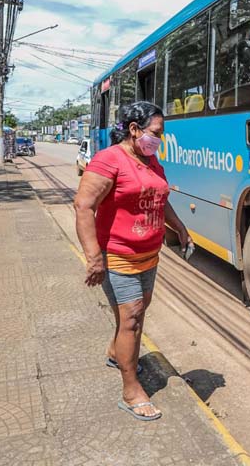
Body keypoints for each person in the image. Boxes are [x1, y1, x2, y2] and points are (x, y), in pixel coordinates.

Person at [73, 101, 192, 422]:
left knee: (137, 314)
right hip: (118, 256)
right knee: (132, 319)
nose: (159, 139)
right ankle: (131, 391)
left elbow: (159, 198)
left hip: (149, 255)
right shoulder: (108, 160)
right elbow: (83, 207)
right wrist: (94, 257)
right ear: (134, 129)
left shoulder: (151, 160)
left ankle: (116, 353)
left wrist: (179, 227)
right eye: (156, 133)